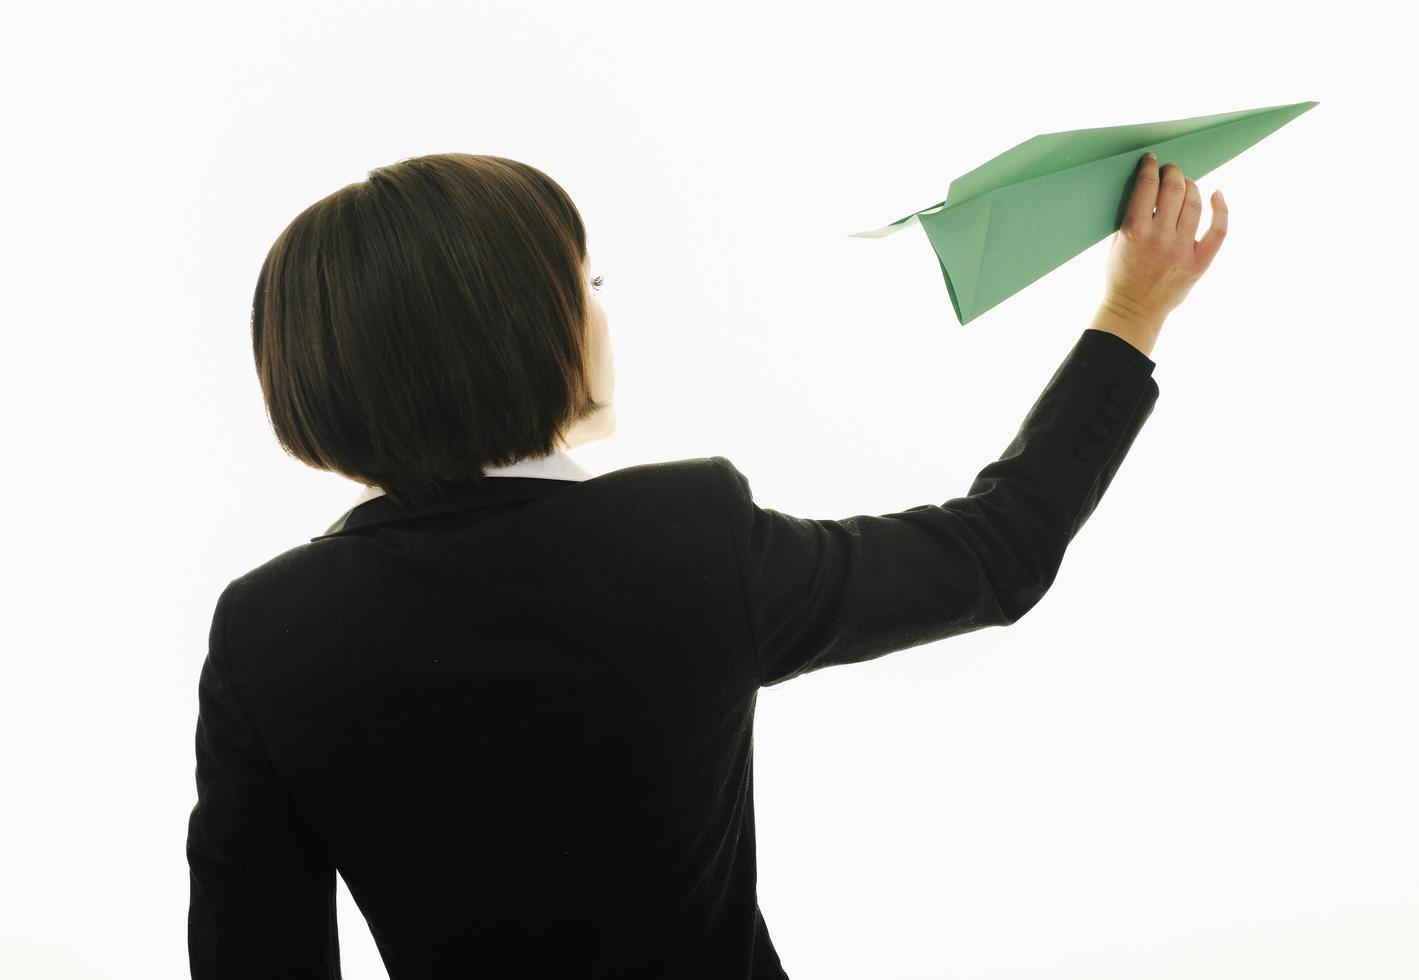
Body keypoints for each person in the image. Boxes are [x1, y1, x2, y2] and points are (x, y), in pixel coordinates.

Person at [186, 151, 1225, 979]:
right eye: (585, 282)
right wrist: (1131, 314)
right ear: (519, 329)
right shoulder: (681, 537)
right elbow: (995, 553)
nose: (601, 309)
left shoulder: (266, 632)